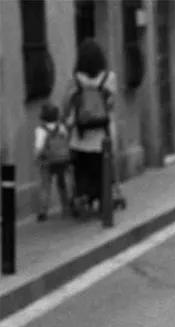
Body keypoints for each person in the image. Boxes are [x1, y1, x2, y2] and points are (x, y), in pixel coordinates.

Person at [63, 38, 117, 216]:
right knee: (102, 170)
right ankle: (103, 199)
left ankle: (84, 197)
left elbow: (67, 105)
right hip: (103, 135)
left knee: (82, 170)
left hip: (80, 135)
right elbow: (111, 104)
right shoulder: (109, 78)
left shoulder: (74, 80)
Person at [33, 102, 71, 221]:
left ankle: (43, 211)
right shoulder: (61, 127)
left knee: (45, 186)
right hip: (62, 159)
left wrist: (36, 158)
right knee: (62, 184)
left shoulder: (40, 130)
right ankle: (66, 207)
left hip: (47, 161)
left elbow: (39, 147)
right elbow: (66, 139)